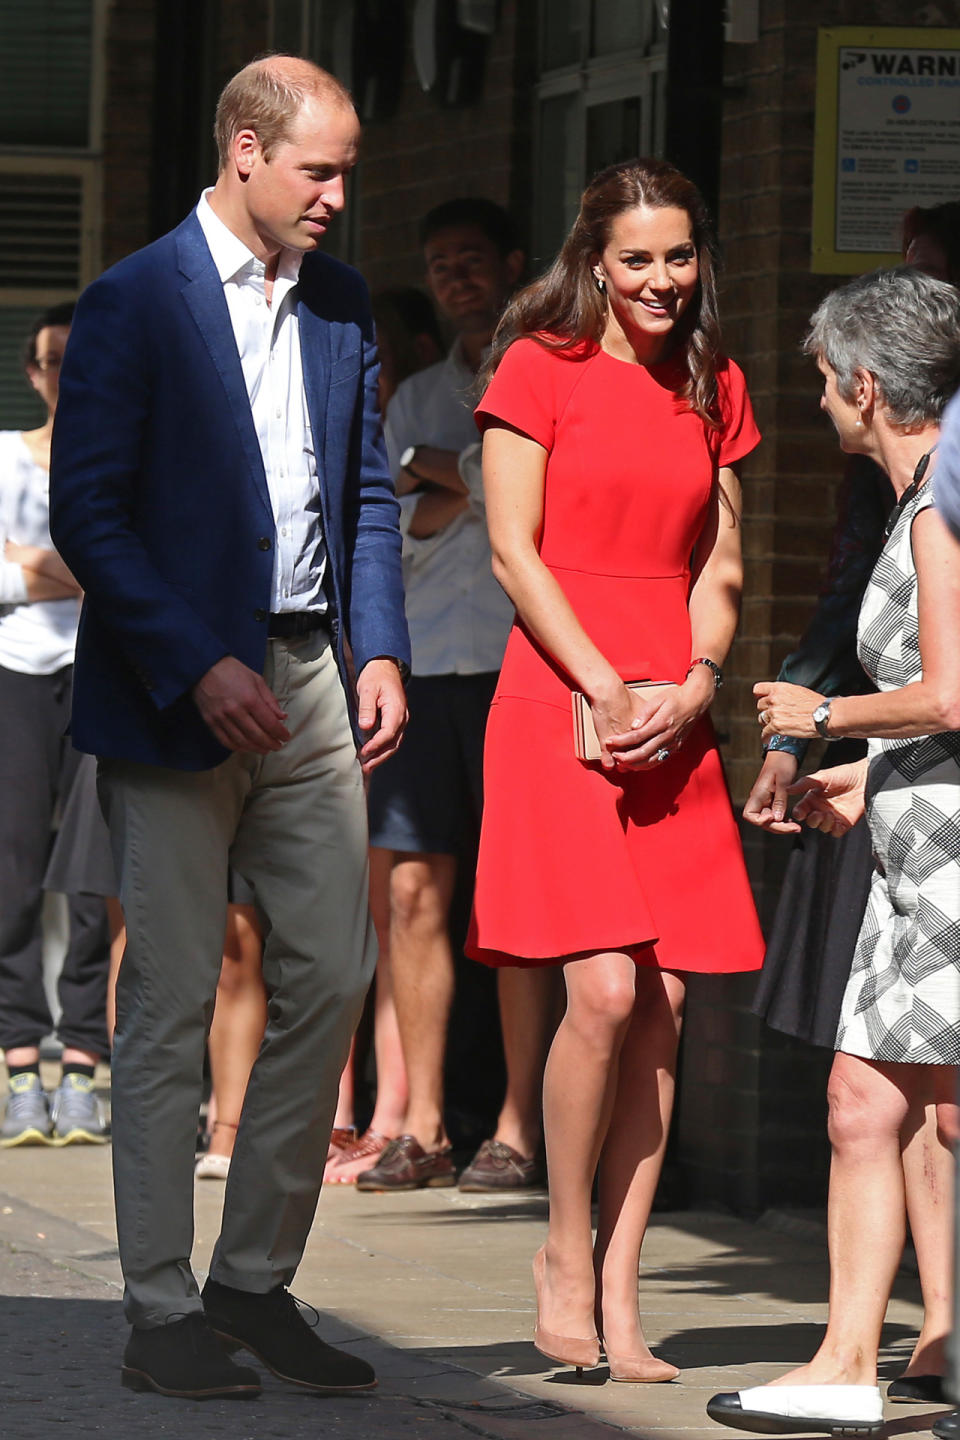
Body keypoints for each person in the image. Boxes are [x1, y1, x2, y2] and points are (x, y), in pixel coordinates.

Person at [49, 56, 409, 1402]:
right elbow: (91, 515)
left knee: (332, 971)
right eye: (319, 171)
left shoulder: (344, 303)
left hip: (316, 672)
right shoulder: (135, 301)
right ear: (246, 149)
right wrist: (198, 663)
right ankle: (158, 1308)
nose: (335, 199)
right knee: (173, 1002)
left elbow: (369, 494)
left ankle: (252, 1283)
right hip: (174, 686)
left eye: (344, 177)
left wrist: (382, 648)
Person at [467, 157, 765, 1380]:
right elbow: (509, 552)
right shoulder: (539, 368)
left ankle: (624, 1291)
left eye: (679, 256)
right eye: (637, 257)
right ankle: (560, 1250)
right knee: (599, 988)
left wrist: (696, 683)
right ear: (593, 257)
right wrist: (601, 684)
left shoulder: (715, 381)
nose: (660, 279)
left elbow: (723, 560)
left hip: (672, 701)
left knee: (671, 1000)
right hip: (561, 692)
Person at [708, 266, 960, 1438]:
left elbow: (950, 694)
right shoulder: (918, 506)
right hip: (916, 854)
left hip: (951, 871)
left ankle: (860, 1357)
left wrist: (829, 721)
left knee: (908, 1106)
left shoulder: (945, 508)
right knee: (865, 1103)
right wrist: (867, 775)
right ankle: (847, 1362)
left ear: (868, 383)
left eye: (823, 379)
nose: (817, 401)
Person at [355, 198, 559, 1194]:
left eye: (471, 260)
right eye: (439, 265)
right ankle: (424, 1124)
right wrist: (470, 481)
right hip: (428, 667)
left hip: (523, 668)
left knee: (517, 900)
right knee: (409, 893)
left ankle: (519, 1126)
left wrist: (454, 479)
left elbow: (540, 501)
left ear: (515, 263)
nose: (455, 278)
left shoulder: (552, 374)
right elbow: (395, 520)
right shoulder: (417, 397)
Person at [0, 302, 111, 1149]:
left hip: (102, 674)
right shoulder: (4, 457)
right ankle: (17, 1063)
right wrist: (78, 571)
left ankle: (80, 1060)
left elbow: (123, 568)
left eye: (80, 359)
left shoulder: (116, 459)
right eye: (52, 361)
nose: (65, 374)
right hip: (16, 674)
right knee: (13, 869)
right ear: (33, 374)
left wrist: (26, 562)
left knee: (88, 878)